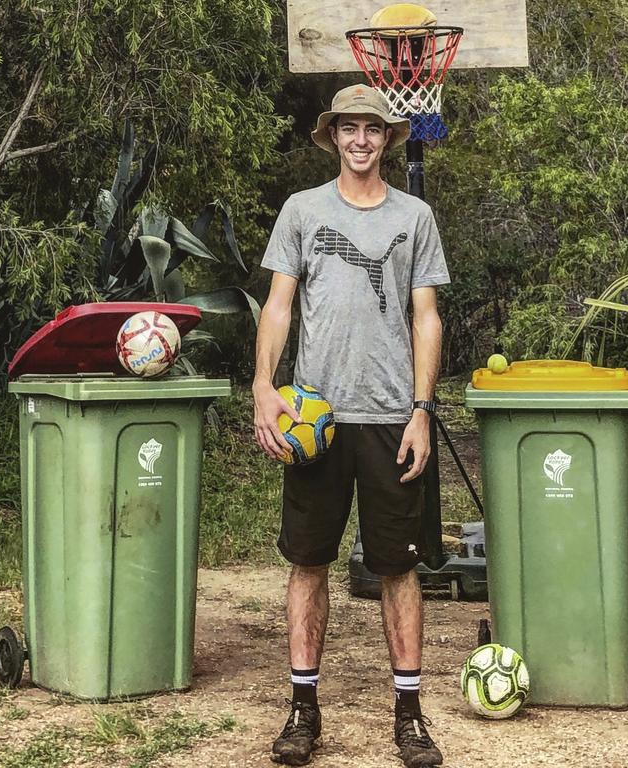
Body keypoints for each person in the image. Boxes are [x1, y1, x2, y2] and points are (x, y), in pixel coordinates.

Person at [252, 84, 450, 768]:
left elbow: (425, 316)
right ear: (332, 136)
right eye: (349, 129)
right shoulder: (302, 212)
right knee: (309, 562)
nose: (361, 139)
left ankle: (410, 716)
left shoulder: (414, 217)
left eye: (372, 129)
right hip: (317, 417)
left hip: (392, 418)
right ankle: (302, 712)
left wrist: (423, 410)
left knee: (398, 569)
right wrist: (261, 388)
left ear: (388, 139)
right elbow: (279, 307)